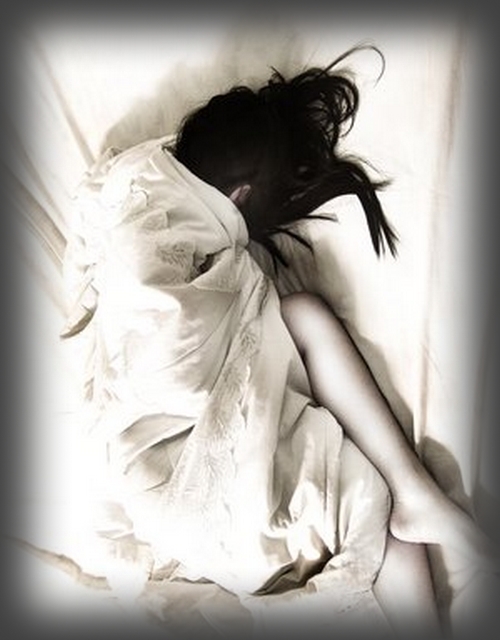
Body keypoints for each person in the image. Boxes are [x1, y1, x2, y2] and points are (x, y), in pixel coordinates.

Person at [172, 46, 490, 631]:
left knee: (369, 507)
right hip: (211, 492)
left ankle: (414, 497)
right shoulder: (184, 250)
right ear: (238, 198)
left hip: (192, 514)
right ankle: (413, 494)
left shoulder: (147, 208)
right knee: (365, 494)